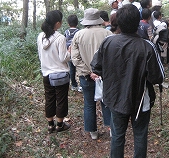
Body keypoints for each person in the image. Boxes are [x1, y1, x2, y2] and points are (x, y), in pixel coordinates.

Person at [91, 4, 164, 158]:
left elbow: (96, 67)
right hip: (140, 102)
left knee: (117, 135)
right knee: (140, 135)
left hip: (115, 98)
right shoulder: (147, 47)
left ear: (118, 23)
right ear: (138, 22)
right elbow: (158, 77)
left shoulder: (108, 42)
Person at [70, 8, 112, 140]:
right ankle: (111, 128)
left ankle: (93, 132)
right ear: (98, 20)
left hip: (86, 76)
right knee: (107, 102)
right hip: (105, 76)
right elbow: (112, 57)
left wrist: (89, 72)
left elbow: (75, 58)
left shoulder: (78, 35)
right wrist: (99, 72)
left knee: (89, 103)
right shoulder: (108, 34)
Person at [37, 10, 71, 134]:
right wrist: (69, 52)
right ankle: (60, 125)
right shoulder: (60, 38)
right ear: (57, 23)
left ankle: (50, 125)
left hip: (46, 74)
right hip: (60, 74)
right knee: (61, 100)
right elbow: (63, 58)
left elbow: (41, 55)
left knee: (49, 99)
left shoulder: (40, 36)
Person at [64, 14, 82, 92]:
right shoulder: (79, 32)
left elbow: (64, 41)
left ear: (68, 23)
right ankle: (81, 85)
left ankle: (74, 85)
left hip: (69, 54)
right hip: (77, 54)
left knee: (71, 70)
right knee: (80, 69)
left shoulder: (66, 32)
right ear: (77, 23)